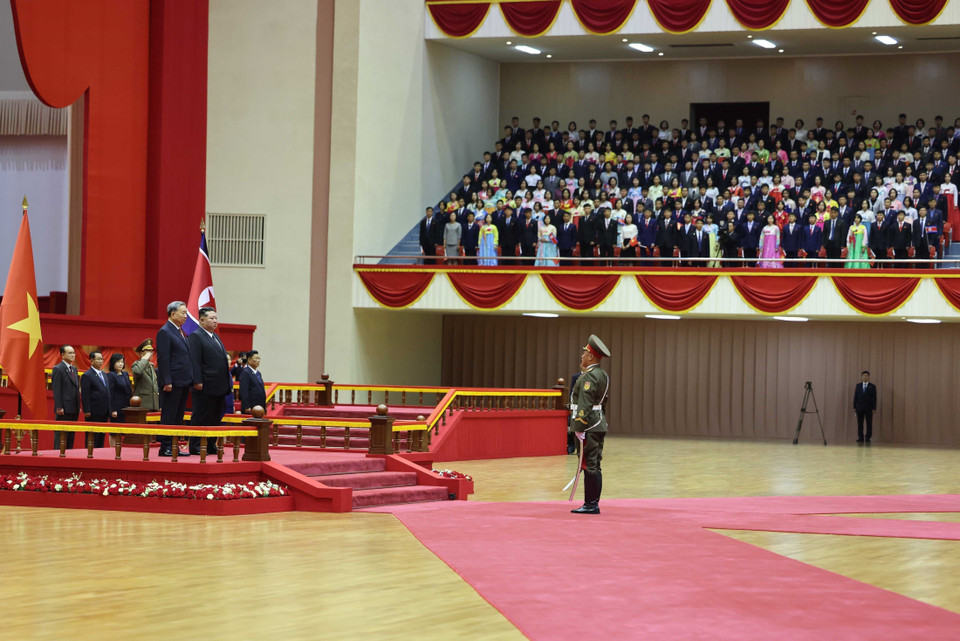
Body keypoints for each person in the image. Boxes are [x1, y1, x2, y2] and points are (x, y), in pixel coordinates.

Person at [570, 334, 611, 515]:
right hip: (598, 423)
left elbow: (585, 403)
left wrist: (578, 426)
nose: (582, 356)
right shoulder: (602, 375)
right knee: (594, 464)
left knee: (589, 465)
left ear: (591, 357)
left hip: (589, 426)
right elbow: (603, 401)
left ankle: (591, 504)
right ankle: (592, 502)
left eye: (585, 353)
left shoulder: (589, 376)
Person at [187, 306, 232, 455]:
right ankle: (196, 445)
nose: (215, 321)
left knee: (216, 416)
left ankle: (211, 444)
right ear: (201, 320)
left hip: (219, 386)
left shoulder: (215, 336)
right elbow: (195, 361)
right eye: (211, 318)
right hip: (205, 385)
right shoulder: (196, 336)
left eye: (216, 318)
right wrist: (197, 381)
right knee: (201, 416)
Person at [156, 301, 194, 457]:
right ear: (172, 314)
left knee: (178, 416)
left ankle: (174, 446)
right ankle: (165, 447)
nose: (185, 316)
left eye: (186, 313)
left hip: (183, 381)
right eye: (183, 313)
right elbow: (164, 359)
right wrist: (167, 381)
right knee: (169, 415)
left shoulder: (180, 331)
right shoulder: (165, 331)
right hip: (172, 382)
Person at [51, 345, 81, 450]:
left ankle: (68, 454)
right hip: (63, 408)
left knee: (70, 435)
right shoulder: (58, 369)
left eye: (73, 353)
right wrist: (59, 406)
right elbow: (57, 389)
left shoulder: (74, 369)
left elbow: (76, 389)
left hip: (74, 408)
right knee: (61, 435)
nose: (73, 355)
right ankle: (57, 456)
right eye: (70, 353)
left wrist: (78, 405)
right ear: (62, 355)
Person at [80, 351, 111, 448]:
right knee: (93, 436)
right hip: (94, 410)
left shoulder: (104, 374)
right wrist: (87, 410)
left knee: (101, 435)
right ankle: (89, 453)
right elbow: (85, 394)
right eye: (98, 359)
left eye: (102, 359)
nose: (101, 361)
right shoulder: (87, 375)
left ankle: (99, 452)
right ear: (92, 360)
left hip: (104, 410)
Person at [131, 339, 160, 411]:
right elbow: (137, 371)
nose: (150, 353)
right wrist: (144, 359)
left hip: (153, 403)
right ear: (141, 353)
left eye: (151, 351)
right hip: (143, 403)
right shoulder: (137, 364)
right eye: (147, 351)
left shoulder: (151, 366)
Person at [106, 353, 132, 423]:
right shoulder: (111, 375)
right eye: (118, 362)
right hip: (117, 408)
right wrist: (113, 410)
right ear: (113, 363)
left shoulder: (125, 374)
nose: (120, 364)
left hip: (126, 408)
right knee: (116, 432)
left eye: (122, 362)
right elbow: (110, 394)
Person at [853, 370, 877, 444]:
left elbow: (874, 398)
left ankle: (868, 437)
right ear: (861, 377)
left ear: (869, 377)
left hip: (869, 408)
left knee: (869, 423)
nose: (865, 377)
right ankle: (860, 437)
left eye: (866, 375)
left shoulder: (872, 386)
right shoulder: (858, 386)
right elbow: (855, 397)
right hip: (859, 408)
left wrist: (874, 408)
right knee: (860, 423)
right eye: (863, 375)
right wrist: (854, 407)